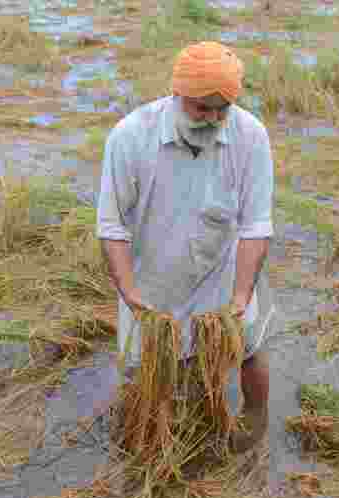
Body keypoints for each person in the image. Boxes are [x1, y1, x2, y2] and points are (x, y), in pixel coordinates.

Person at [95, 41, 275, 454]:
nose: (213, 119)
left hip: (226, 267)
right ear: (177, 95)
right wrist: (130, 293)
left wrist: (242, 294)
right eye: (201, 109)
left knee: (247, 347)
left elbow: (256, 224)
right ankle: (156, 428)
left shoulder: (250, 136)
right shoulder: (130, 137)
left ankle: (254, 416)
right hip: (152, 277)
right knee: (150, 365)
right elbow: (112, 226)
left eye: (221, 109)